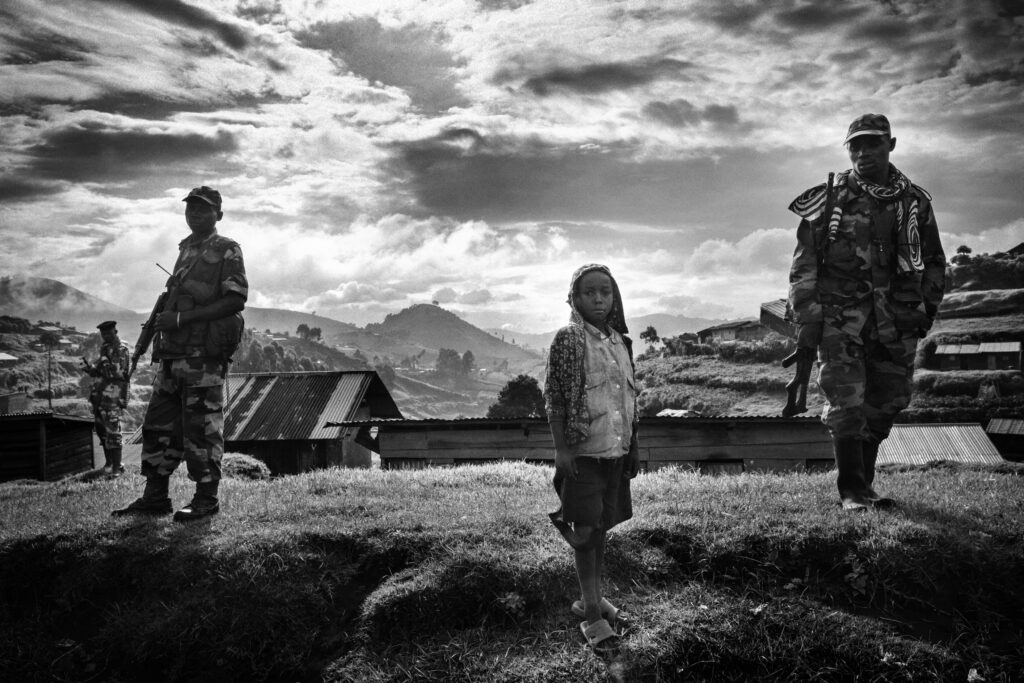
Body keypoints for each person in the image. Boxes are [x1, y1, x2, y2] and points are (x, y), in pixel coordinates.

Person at [787, 114, 946, 511]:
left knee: (886, 402)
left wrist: (925, 312)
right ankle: (852, 491)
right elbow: (803, 266)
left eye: (872, 143)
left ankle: (866, 488)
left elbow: (934, 262)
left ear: (890, 145)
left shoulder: (914, 202)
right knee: (846, 401)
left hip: (897, 321)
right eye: (855, 145)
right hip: (841, 320)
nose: (862, 152)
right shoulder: (828, 200)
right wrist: (809, 319)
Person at [113, 186, 247, 522]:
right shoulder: (185, 248)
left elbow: (235, 300)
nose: (195, 214)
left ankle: (206, 499)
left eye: (203, 209)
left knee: (202, 429)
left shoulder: (227, 248)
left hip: (202, 357)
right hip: (172, 356)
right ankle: (155, 497)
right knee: (158, 427)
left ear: (218, 214)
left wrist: (181, 319)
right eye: (191, 208)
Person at [544, 263, 640, 654]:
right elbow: (555, 397)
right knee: (584, 534)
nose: (599, 299)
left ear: (615, 297)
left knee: (600, 528)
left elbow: (630, 400)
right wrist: (562, 448)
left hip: (614, 451)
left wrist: (633, 447)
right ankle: (592, 614)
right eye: (589, 292)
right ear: (574, 298)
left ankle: (592, 599)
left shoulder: (621, 342)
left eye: (606, 292)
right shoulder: (569, 339)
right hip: (584, 452)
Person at [82, 320, 130, 476]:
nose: (106, 336)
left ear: (115, 332)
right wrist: (92, 370)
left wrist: (102, 361)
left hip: (114, 396)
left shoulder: (121, 349)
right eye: (103, 334)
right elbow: (101, 370)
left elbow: (115, 372)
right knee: (101, 430)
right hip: (100, 395)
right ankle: (109, 464)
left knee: (113, 431)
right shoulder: (106, 347)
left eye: (109, 333)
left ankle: (117, 467)